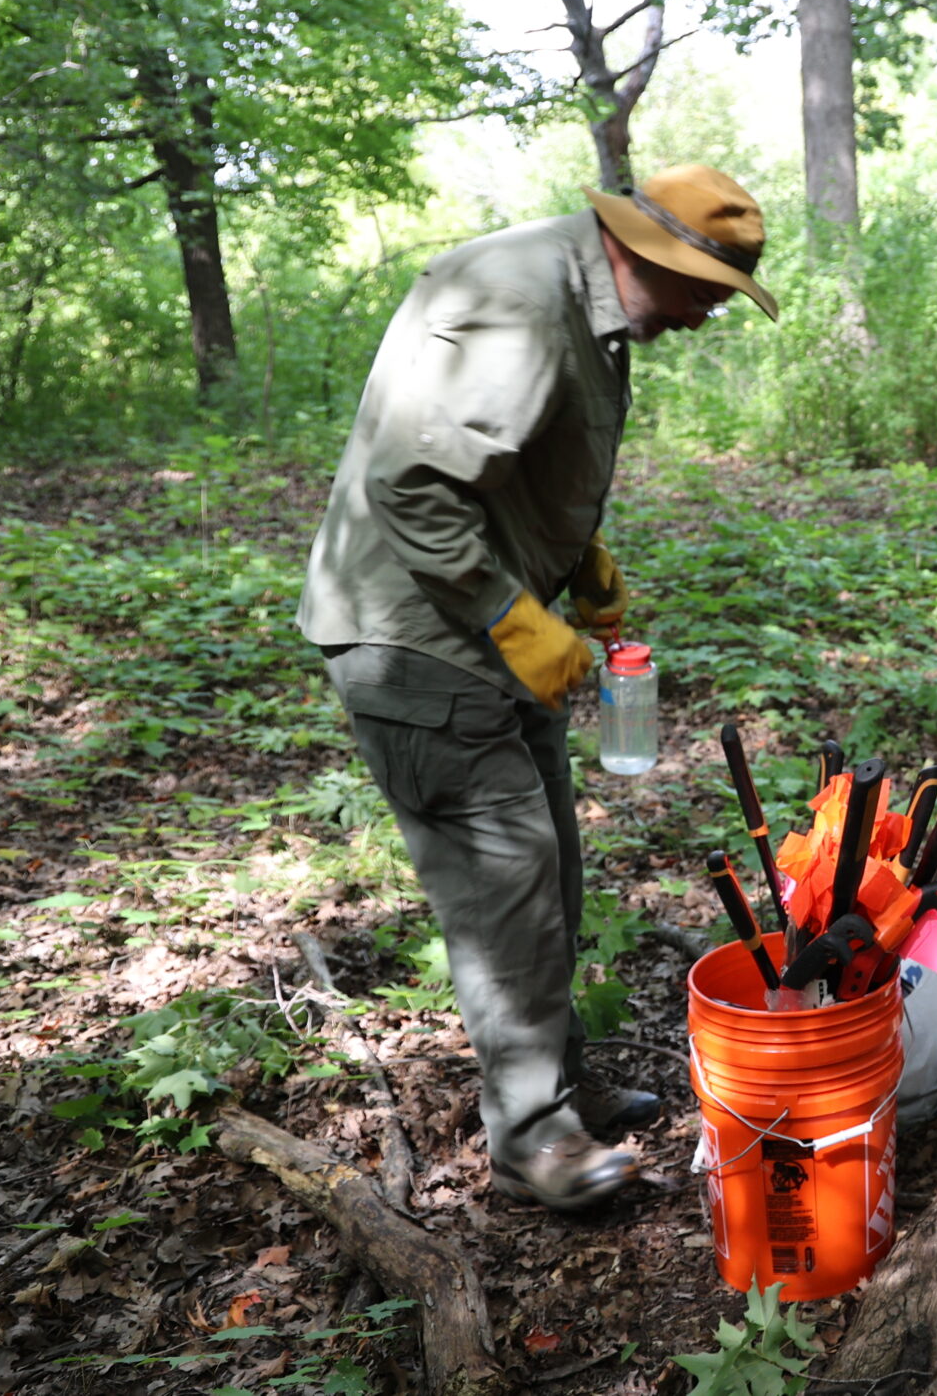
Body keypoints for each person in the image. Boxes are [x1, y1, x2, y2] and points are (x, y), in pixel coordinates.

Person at [297, 164, 778, 1211]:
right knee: (505, 880)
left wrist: (578, 549)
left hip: (487, 625)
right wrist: (514, 617)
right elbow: (411, 483)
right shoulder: (522, 304)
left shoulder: (583, 294)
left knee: (546, 869)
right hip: (422, 640)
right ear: (647, 253)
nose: (703, 319)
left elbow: (496, 457)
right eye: (701, 291)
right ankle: (530, 1142)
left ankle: (555, 1085)